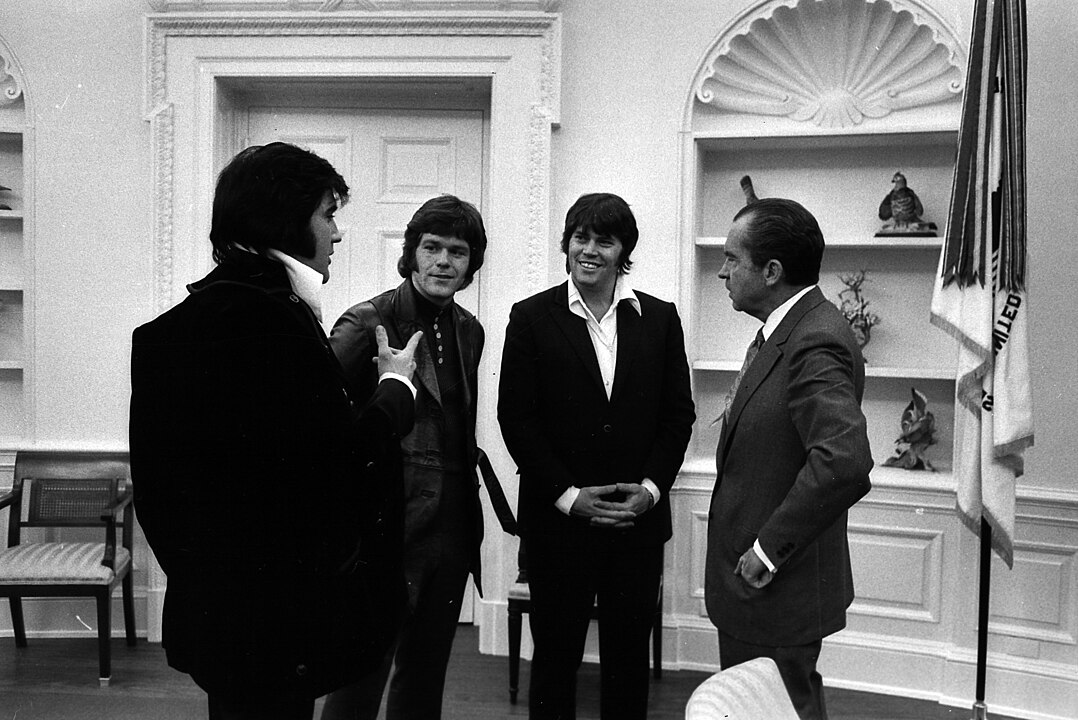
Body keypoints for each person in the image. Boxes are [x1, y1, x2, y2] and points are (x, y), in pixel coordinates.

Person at [129, 142, 422, 720]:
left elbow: (158, 498)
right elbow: (337, 466)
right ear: (286, 218)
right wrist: (396, 389)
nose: (336, 234)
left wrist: (212, 586)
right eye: (328, 215)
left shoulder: (171, 330)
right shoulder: (276, 325)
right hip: (282, 624)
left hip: (223, 617)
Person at [498, 193, 695, 720]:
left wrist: (650, 490)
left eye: (603, 240)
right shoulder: (530, 317)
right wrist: (568, 496)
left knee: (627, 667)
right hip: (558, 525)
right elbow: (516, 419)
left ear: (623, 250)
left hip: (636, 525)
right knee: (555, 665)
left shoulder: (660, 319)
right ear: (565, 245)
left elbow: (679, 417)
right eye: (579, 238)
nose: (588, 250)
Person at [704, 197, 873, 720]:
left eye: (733, 259)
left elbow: (843, 461)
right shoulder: (788, 331)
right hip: (761, 592)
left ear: (772, 271)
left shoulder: (814, 338)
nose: (723, 271)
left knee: (774, 709)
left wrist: (768, 551)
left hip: (775, 585)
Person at [321, 194, 489, 720]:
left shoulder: (470, 329)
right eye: (432, 248)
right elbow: (320, 424)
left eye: (457, 252)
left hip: (452, 526)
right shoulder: (367, 320)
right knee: (362, 671)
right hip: (385, 524)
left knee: (425, 675)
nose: (444, 262)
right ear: (411, 254)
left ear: (471, 263)